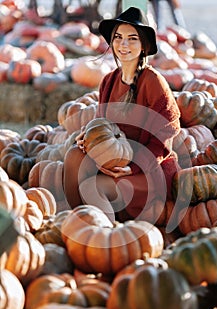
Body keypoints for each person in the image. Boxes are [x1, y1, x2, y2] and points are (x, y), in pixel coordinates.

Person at [63, 6, 181, 223]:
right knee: (74, 156)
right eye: (118, 37)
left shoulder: (153, 82)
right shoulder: (109, 81)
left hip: (147, 168)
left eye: (132, 38)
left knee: (94, 186)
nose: (123, 44)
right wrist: (87, 138)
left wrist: (132, 166)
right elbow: (101, 125)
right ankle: (79, 222)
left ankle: (105, 236)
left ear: (144, 45)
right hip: (115, 156)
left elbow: (164, 137)